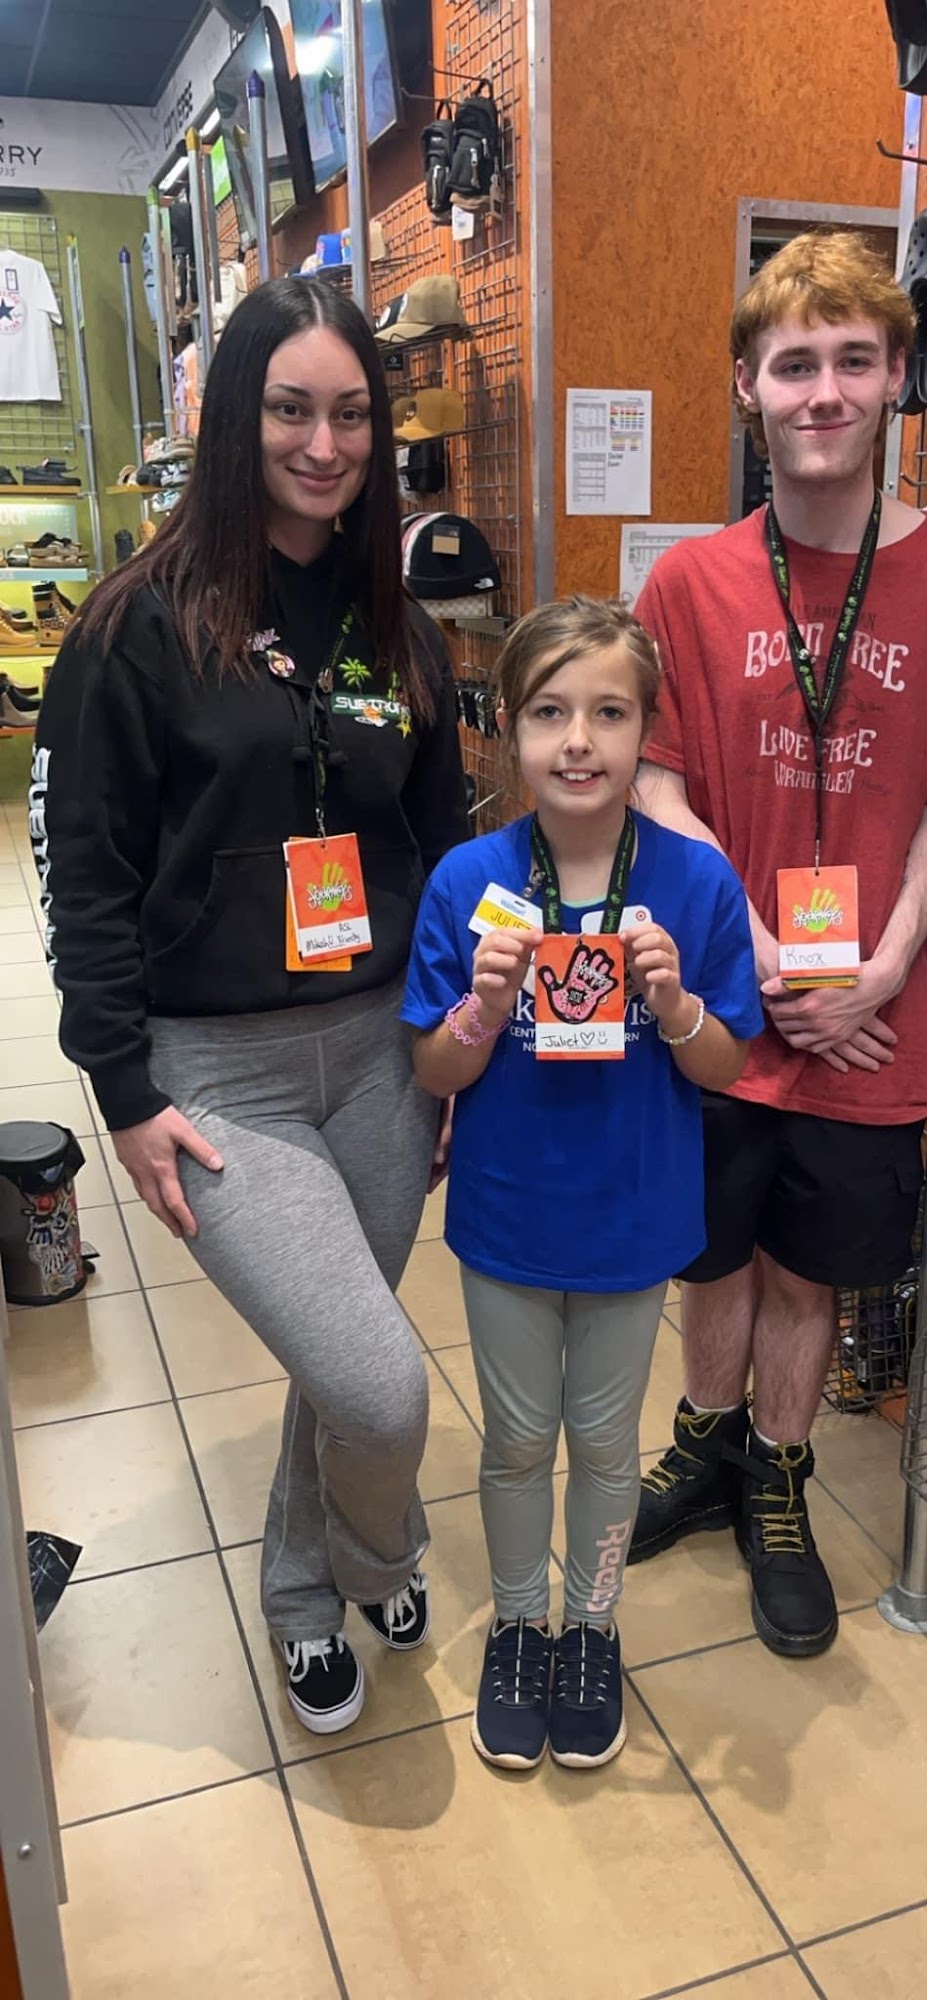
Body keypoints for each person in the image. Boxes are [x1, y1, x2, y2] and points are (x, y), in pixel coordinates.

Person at [30, 277, 469, 1735]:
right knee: (380, 1384)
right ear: (236, 416)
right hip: (217, 1077)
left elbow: (441, 848)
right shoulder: (136, 627)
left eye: (350, 414)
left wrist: (450, 1051)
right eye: (290, 408)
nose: (323, 444)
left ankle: (301, 1588)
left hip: (384, 1057)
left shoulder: (398, 628)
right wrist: (123, 1090)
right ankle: (377, 1552)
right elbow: (84, 875)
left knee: (334, 1356)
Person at [628, 231, 927, 1659]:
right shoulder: (687, 585)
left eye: (854, 360)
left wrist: (885, 965)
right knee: (711, 1254)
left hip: (870, 1017)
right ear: (747, 383)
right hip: (725, 1011)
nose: (824, 392)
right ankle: (705, 1443)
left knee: (808, 1269)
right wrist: (758, 961)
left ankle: (777, 1479)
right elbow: (659, 788)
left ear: (897, 376)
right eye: (794, 364)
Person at [402, 597, 761, 1769]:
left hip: (633, 1221)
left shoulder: (696, 883)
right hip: (507, 1216)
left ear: (647, 729)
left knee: (607, 1444)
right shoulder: (469, 878)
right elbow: (435, 1065)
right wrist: (484, 1003)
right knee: (516, 1438)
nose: (577, 740)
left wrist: (677, 1002)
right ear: (509, 726)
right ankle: (520, 1625)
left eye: (609, 712)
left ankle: (592, 1628)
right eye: (549, 711)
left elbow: (727, 1064)